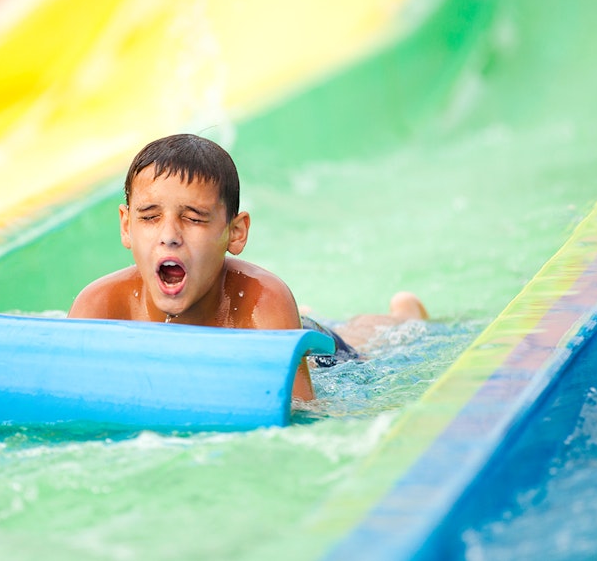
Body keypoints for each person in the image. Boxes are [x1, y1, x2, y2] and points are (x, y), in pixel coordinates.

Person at [68, 133, 427, 401]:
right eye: (149, 217)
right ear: (126, 225)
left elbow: (305, 414)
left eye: (193, 219)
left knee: (372, 340)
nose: (170, 236)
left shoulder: (261, 303)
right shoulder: (100, 307)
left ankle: (404, 313)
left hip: (315, 351)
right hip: (273, 335)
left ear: (235, 233)